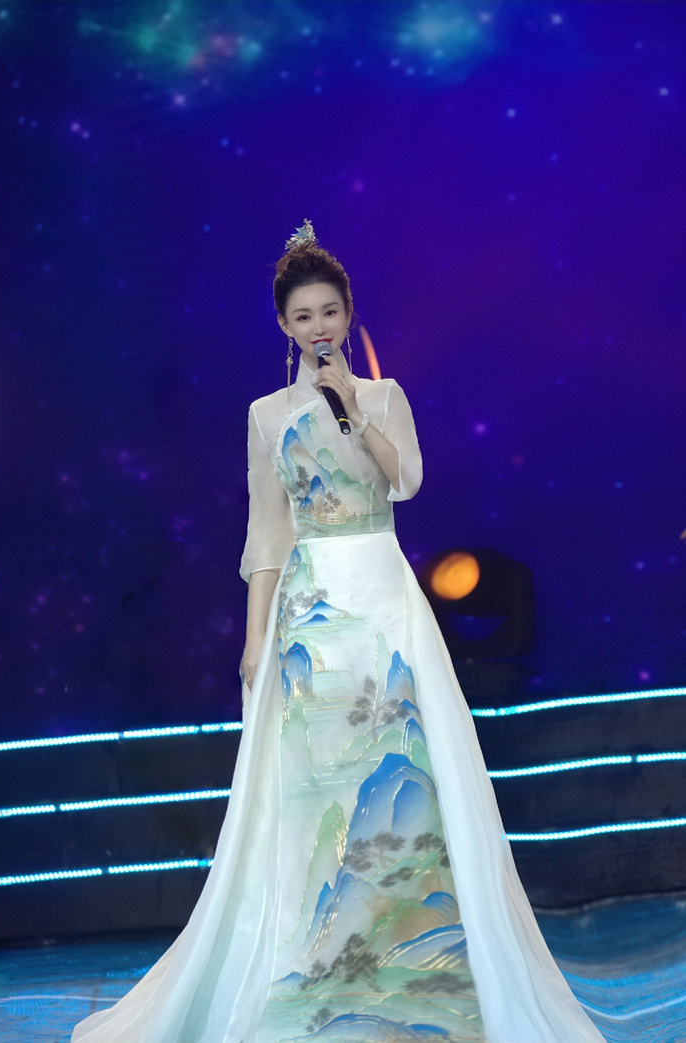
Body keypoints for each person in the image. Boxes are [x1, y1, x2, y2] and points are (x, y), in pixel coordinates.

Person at [71, 220, 607, 1042]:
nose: (318, 326)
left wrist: (355, 408)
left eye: (329, 311)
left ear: (349, 314)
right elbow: (266, 534)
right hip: (311, 611)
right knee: (313, 786)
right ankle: (312, 963)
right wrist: (255, 637)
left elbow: (409, 481)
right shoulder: (265, 415)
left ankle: (424, 965)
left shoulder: (384, 397)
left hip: (384, 597)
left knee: (407, 768)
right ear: (283, 326)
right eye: (303, 316)